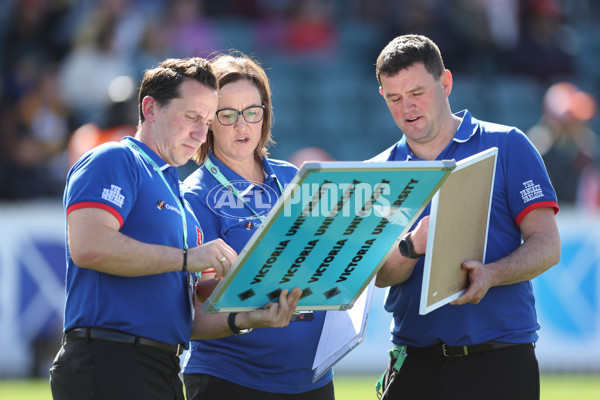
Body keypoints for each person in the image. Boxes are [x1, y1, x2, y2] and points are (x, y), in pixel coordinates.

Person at [49, 56, 299, 400]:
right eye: (191, 117)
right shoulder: (114, 158)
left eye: (208, 121)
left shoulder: (176, 197)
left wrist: (248, 316)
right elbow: (89, 246)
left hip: (162, 365)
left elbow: (188, 320)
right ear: (150, 108)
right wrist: (187, 258)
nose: (200, 133)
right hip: (109, 359)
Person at [371, 35, 561, 400]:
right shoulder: (379, 171)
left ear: (446, 83)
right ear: (382, 97)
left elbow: (547, 244)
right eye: (394, 98)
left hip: (500, 359)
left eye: (417, 93)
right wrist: (412, 247)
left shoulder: (508, 144)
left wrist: (491, 274)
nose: (407, 107)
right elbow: (381, 276)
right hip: (414, 362)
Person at [182, 53, 335, 400]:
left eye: (252, 112)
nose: (242, 126)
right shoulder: (194, 196)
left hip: (313, 378)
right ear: (208, 120)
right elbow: (194, 310)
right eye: (228, 114)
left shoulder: (296, 179)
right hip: (232, 381)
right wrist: (252, 314)